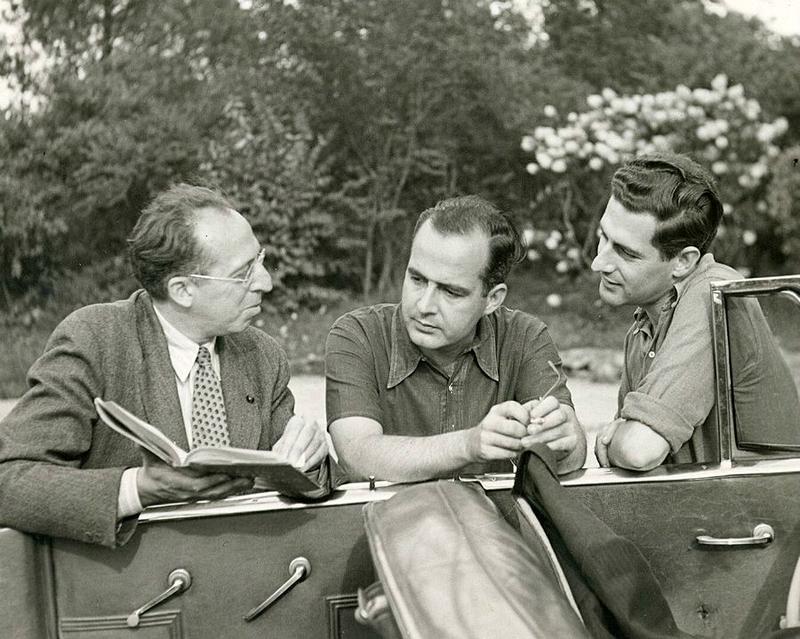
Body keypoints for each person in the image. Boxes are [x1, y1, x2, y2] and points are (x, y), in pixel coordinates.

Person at [0, 184, 328, 547]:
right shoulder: (95, 341)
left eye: (261, 259)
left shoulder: (262, 354)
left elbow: (318, 485)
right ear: (182, 290)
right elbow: (9, 479)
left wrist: (313, 457)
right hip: (133, 588)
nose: (265, 282)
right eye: (243, 273)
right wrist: (137, 489)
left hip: (243, 572)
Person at [325, 195, 585, 483]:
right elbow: (357, 456)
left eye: (451, 292)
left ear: (492, 299)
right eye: (417, 279)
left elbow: (573, 456)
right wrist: (468, 445)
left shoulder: (525, 337)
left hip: (487, 525)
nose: (424, 306)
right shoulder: (357, 335)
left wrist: (560, 441)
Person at [591, 151, 798, 470]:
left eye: (625, 253)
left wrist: (618, 433)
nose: (598, 262)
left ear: (683, 261)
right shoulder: (645, 323)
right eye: (602, 237)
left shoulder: (713, 293)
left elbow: (637, 450)